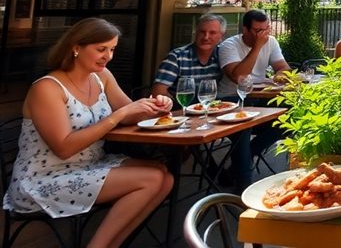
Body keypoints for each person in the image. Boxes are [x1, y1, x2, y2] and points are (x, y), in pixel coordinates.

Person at [2, 18, 173, 248]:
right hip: (43, 179)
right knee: (151, 179)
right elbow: (64, 148)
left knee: (165, 177)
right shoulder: (47, 88)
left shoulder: (101, 77)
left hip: (89, 166)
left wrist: (155, 107)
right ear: (75, 47)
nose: (108, 56)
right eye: (101, 49)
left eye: (112, 49)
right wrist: (117, 117)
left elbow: (130, 112)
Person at [218, 10, 292, 188]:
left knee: (292, 115)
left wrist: (279, 75)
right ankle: (244, 183)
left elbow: (284, 68)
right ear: (245, 30)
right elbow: (240, 77)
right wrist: (257, 47)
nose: (264, 35)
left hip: (259, 97)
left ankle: (246, 157)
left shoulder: (271, 41)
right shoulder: (229, 46)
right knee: (244, 125)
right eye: (259, 31)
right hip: (232, 99)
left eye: (267, 29)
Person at [151, 13, 225, 98]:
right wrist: (178, 106)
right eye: (202, 32)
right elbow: (158, 92)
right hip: (180, 108)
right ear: (195, 32)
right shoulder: (177, 57)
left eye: (212, 33)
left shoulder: (222, 55)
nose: (206, 37)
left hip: (214, 108)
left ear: (221, 36)